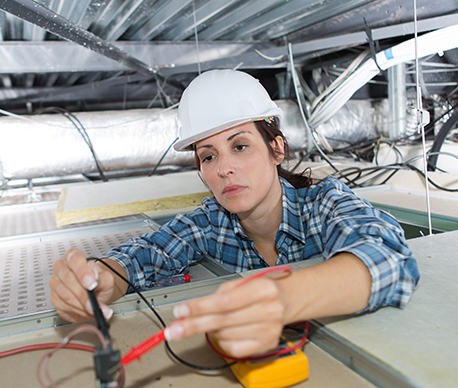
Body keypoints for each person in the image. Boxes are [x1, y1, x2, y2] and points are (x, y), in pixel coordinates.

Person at [49, 69, 419, 358]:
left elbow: (389, 257)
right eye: (208, 156)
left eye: (240, 146)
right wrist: (101, 280)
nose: (224, 168)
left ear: (276, 148)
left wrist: (281, 299)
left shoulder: (324, 202)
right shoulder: (211, 221)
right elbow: (146, 255)